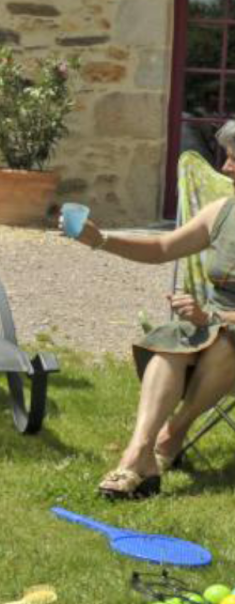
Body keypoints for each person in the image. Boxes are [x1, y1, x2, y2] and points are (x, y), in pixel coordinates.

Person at [62, 120, 235, 500]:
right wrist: (100, 239)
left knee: (225, 345)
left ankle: (171, 436)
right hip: (209, 322)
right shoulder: (224, 212)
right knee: (170, 343)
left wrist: (213, 319)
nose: (225, 168)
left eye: (233, 160)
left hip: (224, 330)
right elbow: (161, 249)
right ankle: (138, 454)